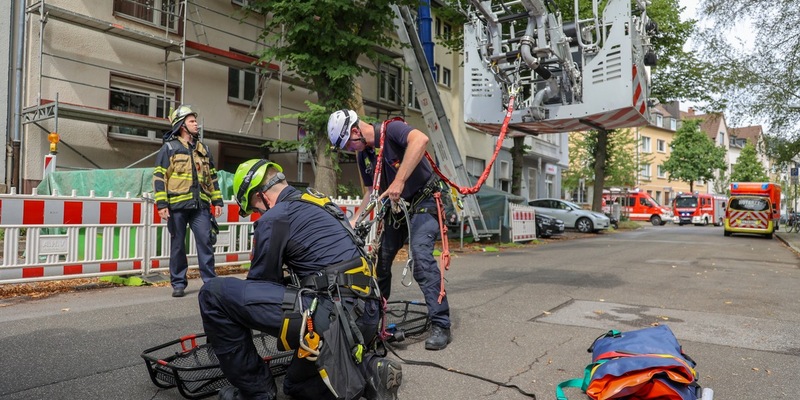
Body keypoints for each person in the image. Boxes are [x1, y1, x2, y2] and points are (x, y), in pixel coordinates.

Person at [198, 159, 402, 400]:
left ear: (262, 196)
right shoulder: (322, 204)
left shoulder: (275, 217)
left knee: (213, 294)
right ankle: (369, 373)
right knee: (296, 385)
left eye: (254, 208)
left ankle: (256, 392)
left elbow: (260, 285)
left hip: (333, 317)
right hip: (366, 317)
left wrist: (226, 321)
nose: (257, 214)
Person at [327, 109, 452, 350]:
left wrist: (400, 179)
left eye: (348, 145)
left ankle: (441, 323)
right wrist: (354, 222)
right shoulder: (363, 155)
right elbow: (369, 193)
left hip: (424, 201)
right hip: (397, 207)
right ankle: (373, 319)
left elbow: (421, 140)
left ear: (356, 131)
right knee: (381, 262)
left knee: (421, 258)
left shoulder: (392, 130)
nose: (350, 150)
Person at [153, 104, 223, 298]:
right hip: (176, 207)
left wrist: (217, 202)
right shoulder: (169, 148)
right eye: (192, 121)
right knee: (177, 247)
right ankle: (178, 283)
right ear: (182, 125)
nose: (196, 125)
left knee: (205, 242)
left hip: (200, 205)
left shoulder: (204, 150)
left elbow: (212, 179)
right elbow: (160, 177)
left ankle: (210, 283)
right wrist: (162, 204)